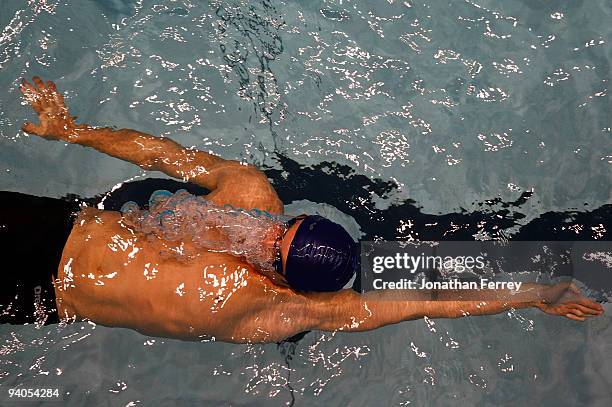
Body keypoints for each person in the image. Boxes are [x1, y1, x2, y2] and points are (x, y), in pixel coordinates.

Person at [0, 77, 603, 344]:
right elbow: (163, 154)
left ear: (283, 278)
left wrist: (533, 294)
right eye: (276, 233)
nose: (259, 240)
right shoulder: (250, 197)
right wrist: (73, 133)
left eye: (272, 255)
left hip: (42, 297)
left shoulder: (278, 310)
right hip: (60, 225)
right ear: (287, 220)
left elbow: (423, 302)